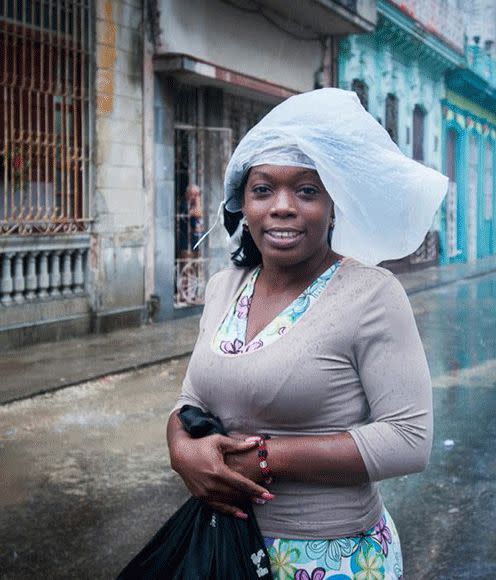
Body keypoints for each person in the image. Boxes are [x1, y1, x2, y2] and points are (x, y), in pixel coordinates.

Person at [165, 88, 447, 579]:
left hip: (332, 558)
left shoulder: (371, 295)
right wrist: (181, 449)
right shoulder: (224, 287)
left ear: (333, 204)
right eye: (263, 190)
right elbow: (193, 398)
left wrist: (266, 459)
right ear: (243, 204)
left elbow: (408, 439)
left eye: (307, 190)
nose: (283, 207)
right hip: (228, 549)